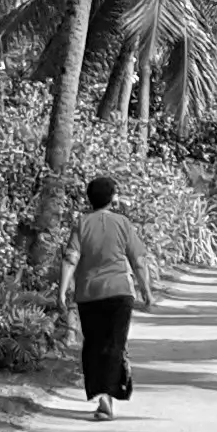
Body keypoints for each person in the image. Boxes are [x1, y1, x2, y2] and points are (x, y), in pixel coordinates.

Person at [61, 175, 156, 419]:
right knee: (115, 345)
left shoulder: (82, 223)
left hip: (89, 294)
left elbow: (71, 258)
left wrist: (62, 290)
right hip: (119, 292)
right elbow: (139, 260)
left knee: (93, 345)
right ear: (113, 198)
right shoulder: (123, 223)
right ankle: (112, 392)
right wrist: (146, 290)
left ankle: (104, 397)